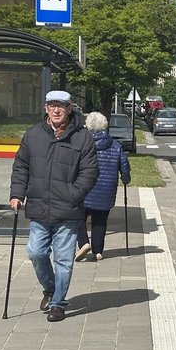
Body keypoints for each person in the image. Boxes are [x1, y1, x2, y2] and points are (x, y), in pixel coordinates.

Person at [9, 90, 98, 322]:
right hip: (38, 208)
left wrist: (73, 194)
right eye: (52, 105)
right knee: (36, 253)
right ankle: (49, 288)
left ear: (70, 108)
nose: (56, 110)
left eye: (61, 105)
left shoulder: (82, 137)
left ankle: (58, 303)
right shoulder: (33, 135)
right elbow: (21, 167)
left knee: (63, 260)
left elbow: (90, 172)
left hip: (68, 211)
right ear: (46, 108)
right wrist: (17, 194)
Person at [76, 111, 131, 262]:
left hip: (84, 188)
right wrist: (125, 177)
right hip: (106, 190)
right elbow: (124, 164)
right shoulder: (114, 145)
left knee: (77, 216)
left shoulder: (82, 143)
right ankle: (98, 251)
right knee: (100, 220)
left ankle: (83, 243)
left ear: (87, 126)